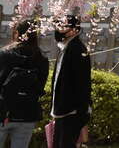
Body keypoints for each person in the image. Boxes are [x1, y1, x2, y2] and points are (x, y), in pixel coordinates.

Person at [0, 20, 49, 148]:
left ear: (16, 33)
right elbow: (40, 87)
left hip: (3, 112)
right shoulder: (41, 59)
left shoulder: (4, 54)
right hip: (28, 113)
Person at [51, 15, 91, 148]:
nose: (59, 30)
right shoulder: (65, 48)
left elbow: (82, 83)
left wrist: (81, 112)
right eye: (59, 26)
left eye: (64, 26)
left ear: (75, 30)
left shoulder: (78, 50)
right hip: (62, 110)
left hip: (71, 111)